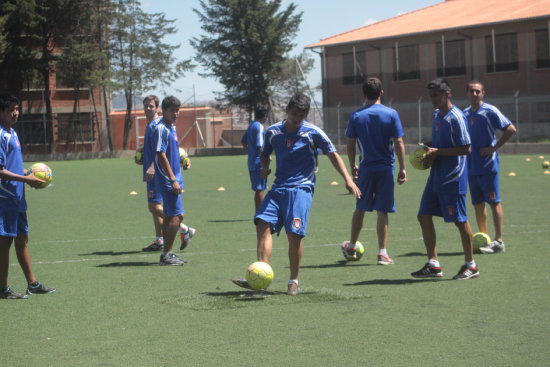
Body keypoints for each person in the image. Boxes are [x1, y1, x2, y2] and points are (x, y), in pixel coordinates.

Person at [233, 93, 361, 295]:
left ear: (306, 114)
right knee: (262, 225)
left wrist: (347, 178)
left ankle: (293, 281)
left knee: (294, 235)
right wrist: (265, 167)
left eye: (300, 115)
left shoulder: (313, 132)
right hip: (278, 188)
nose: (296, 118)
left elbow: (332, 154)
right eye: (293, 113)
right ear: (287, 110)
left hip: (301, 189)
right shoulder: (273, 132)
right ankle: (260, 276)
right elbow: (264, 153)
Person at [411, 78, 479, 280]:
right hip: (436, 175)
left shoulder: (456, 117)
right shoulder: (436, 115)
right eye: (430, 96)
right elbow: (440, 144)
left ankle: (471, 265)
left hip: (452, 177)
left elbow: (466, 148)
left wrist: (438, 151)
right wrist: (427, 147)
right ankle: (433, 264)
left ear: (447, 94)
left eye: (436, 96)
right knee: (423, 215)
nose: (432, 99)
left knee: (459, 220)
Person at [344, 77, 407, 265]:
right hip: (386, 168)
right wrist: (403, 168)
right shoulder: (391, 114)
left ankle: (352, 246)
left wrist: (352, 165)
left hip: (366, 168)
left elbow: (350, 144)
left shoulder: (356, 116)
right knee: (382, 211)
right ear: (381, 93)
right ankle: (382, 253)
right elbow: (399, 142)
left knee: (360, 208)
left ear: (364, 94)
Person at [0, 93, 56, 299]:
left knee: (23, 239)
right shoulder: (0, 135)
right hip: (5, 197)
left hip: (18, 196)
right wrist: (27, 180)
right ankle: (3, 288)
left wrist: (26, 173)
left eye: (17, 109)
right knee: (4, 242)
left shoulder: (12, 133)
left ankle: (32, 284)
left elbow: (11, 164)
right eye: (10, 110)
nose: (15, 113)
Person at [464, 80, 516, 254]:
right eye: (472, 91)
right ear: (467, 93)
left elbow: (510, 129)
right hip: (471, 167)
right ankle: (484, 238)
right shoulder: (464, 114)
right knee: (478, 204)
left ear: (483, 93)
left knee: (493, 202)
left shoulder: (490, 111)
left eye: (478, 91)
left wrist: (494, 148)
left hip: (488, 166)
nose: (475, 94)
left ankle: (499, 241)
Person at [140, 95, 195, 252]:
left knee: (165, 211)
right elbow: (159, 151)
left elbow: (163, 152)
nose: (148, 109)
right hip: (164, 175)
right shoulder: (156, 126)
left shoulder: (160, 126)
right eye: (146, 106)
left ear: (158, 109)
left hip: (161, 174)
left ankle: (180, 232)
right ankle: (164, 244)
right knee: (165, 211)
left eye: (151, 106)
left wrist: (183, 159)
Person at [152, 96, 191, 265]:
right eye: (172, 110)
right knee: (178, 216)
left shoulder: (172, 127)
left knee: (169, 216)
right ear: (164, 111)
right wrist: (173, 179)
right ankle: (167, 254)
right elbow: (161, 155)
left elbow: (171, 152)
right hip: (168, 180)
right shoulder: (162, 129)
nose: (176, 113)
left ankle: (166, 253)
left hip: (174, 177)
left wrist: (183, 161)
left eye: (177, 110)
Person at [241, 103, 270, 212]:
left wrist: (251, 152)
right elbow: (260, 145)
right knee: (260, 189)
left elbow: (243, 142)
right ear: (265, 116)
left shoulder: (251, 125)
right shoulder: (259, 126)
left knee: (258, 189)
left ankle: (258, 212)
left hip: (252, 162)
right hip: (259, 163)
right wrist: (264, 157)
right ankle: (261, 213)